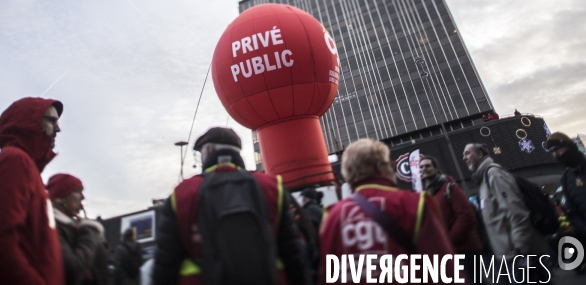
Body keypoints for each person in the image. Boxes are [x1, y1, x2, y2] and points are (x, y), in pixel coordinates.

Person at [152, 127, 311, 285]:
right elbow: (294, 257)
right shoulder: (272, 187)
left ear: (209, 151)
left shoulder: (182, 194)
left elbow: (165, 267)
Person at [319, 139, 458, 284]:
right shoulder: (415, 203)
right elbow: (445, 271)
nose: (393, 170)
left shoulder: (331, 216)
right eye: (390, 164)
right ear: (380, 168)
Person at [0, 97, 64, 285]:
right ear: (30, 122)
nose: (58, 129)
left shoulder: (30, 171)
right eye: (51, 120)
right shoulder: (14, 161)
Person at [462, 143, 546, 276]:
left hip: (518, 254)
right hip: (508, 255)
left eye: (467, 153)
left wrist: (520, 249)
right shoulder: (484, 179)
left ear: (479, 154)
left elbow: (516, 211)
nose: (464, 158)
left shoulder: (493, 174)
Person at [420, 156, 482, 283]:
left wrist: (448, 239)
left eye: (427, 166)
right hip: (449, 253)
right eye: (421, 167)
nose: (424, 169)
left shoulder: (450, 187)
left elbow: (466, 216)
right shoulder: (426, 194)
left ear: (436, 169)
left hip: (466, 250)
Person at [47, 173, 109, 285]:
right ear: (62, 197)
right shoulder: (53, 227)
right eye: (77, 191)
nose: (83, 197)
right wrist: (90, 232)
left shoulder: (75, 227)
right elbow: (73, 268)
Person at [547, 132, 586, 272]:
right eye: (552, 152)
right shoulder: (566, 179)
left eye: (557, 149)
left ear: (569, 147)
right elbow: (572, 211)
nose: (555, 155)